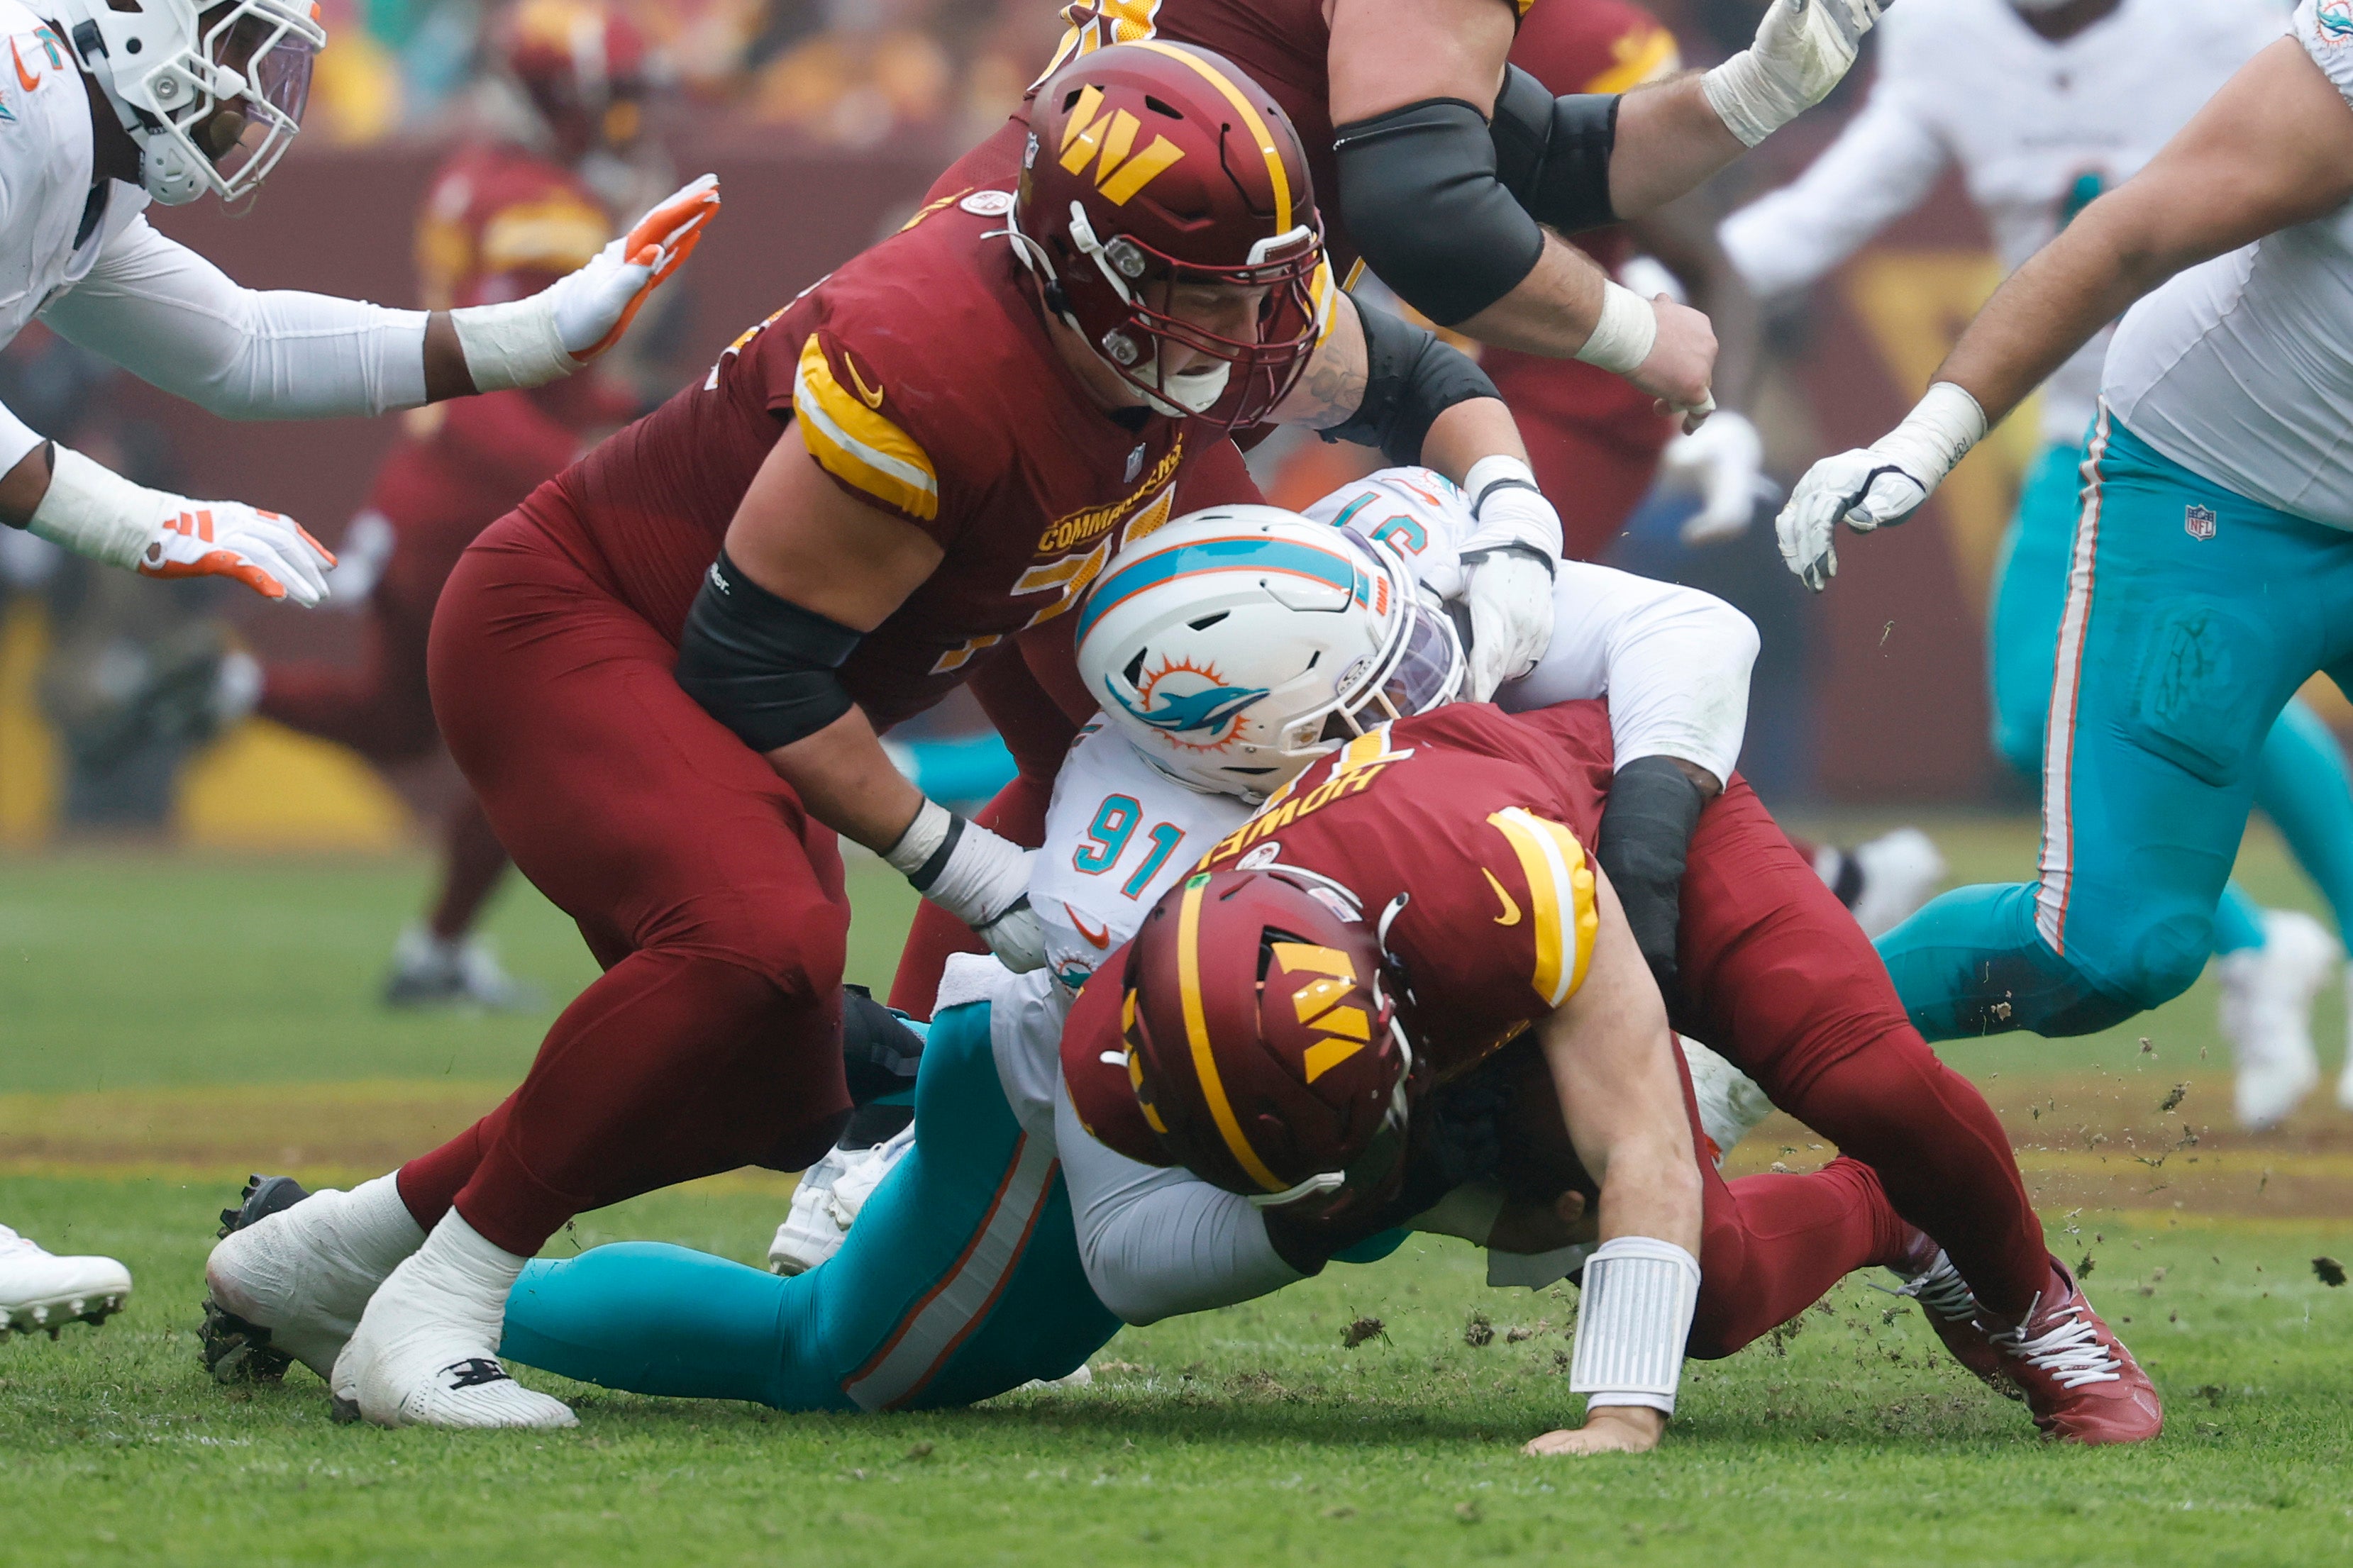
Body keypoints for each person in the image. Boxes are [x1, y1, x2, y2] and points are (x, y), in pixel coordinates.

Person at [197, 41, 1590, 1431]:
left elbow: (1417, 373)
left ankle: (326, 1254)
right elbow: (755, 661)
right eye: (1208, 295)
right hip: (588, 629)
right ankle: (438, 1308)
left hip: (759, 669)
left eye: (1264, 289)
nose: (1252, 332)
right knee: (751, 953)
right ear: (1088, 269)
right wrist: (973, 875)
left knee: (781, 1081)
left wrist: (1516, 515)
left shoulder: (1184, 307)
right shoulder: (938, 363)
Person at [882, 0, 1898, 1015]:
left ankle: (913, 1075)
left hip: (1089, 333)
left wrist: (1753, 92)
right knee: (1310, 769)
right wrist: (1636, 335)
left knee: (1099, 767)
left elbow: (1546, 156)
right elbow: (1427, 213)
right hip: (1090, 371)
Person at [0, 0, 713, 1335]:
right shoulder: (20, 94)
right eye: (231, 46)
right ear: (133, 26)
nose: (248, 91)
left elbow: (241, 345)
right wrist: (139, 518)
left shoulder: (82, 151)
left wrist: (535, 334)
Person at [1724, 0, 2349, 1126]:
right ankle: (1725, 1055)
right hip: (2208, 464)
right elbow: (2123, 235)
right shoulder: (1965, 35)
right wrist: (1923, 432)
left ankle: (2272, 944)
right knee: (2107, 937)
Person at [119, 0, 663, 1011]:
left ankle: (236, 690)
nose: (632, 123)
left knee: (402, 720)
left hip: (433, 491)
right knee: (542, 737)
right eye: (618, 101)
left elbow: (527, 380)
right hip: (483, 504)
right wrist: (597, 464)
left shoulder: (478, 177)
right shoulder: (543, 207)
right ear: (563, 99)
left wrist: (627, 412)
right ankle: (453, 950)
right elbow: (497, 390)